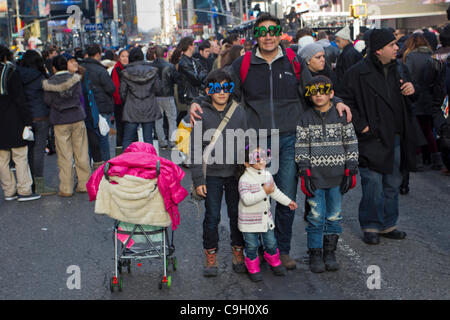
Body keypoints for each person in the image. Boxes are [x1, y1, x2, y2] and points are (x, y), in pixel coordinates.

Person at [190, 13, 353, 270]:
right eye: (262, 32)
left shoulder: (293, 61)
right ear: (255, 35)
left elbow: (315, 90)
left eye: (273, 31)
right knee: (252, 197)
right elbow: (217, 85)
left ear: (280, 34)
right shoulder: (243, 64)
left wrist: (339, 101)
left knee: (285, 195)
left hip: (289, 138)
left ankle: (280, 249)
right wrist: (197, 103)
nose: (268, 36)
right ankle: (254, 249)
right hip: (255, 141)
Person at [340, 28, 418, 245]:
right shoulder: (356, 73)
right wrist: (361, 126)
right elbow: (344, 101)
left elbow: (411, 97)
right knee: (373, 183)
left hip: (395, 135)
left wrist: (413, 89)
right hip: (371, 137)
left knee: (393, 181)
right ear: (378, 50)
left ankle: (388, 224)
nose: (397, 48)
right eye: (392, 45)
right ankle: (371, 225)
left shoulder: (400, 68)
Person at [296, 75, 359, 273]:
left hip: (338, 176)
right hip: (315, 177)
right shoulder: (305, 118)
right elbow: (301, 147)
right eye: (314, 92)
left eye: (323, 91)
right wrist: (304, 172)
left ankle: (330, 252)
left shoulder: (341, 116)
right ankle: (315, 253)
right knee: (315, 216)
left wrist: (351, 169)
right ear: (309, 95)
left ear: (331, 94)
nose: (319, 95)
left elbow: (351, 142)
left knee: (334, 216)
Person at [190, 70, 248, 277]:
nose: (222, 92)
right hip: (211, 174)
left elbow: (246, 143)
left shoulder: (239, 112)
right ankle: (210, 255)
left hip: (235, 174)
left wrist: (249, 171)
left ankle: (238, 252)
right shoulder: (201, 113)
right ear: (208, 91)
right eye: (216, 89)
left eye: (227, 88)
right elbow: (195, 147)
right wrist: (198, 178)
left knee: (237, 214)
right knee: (212, 216)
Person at [238, 145, 297, 281]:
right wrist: (264, 192)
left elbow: (275, 191)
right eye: (257, 158)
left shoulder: (268, 175)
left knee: (271, 242)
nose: (262, 160)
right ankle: (252, 266)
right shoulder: (244, 180)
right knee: (252, 246)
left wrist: (288, 201)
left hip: (265, 220)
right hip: (249, 222)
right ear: (247, 163)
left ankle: (274, 261)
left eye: (264, 156)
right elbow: (247, 200)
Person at [43, 55, 91, 197]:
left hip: (60, 120)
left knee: (64, 155)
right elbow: (79, 96)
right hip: (77, 118)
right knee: (81, 152)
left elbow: (47, 101)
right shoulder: (75, 79)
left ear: (54, 68)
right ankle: (84, 184)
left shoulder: (49, 83)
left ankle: (66, 188)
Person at [0, 45, 41, 202]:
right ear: (5, 57)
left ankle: (8, 191)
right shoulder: (10, 73)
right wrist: (27, 121)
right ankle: (24, 190)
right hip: (13, 119)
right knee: (20, 155)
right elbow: (20, 99)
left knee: (2, 158)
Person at [17, 50, 56, 196]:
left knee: (27, 151)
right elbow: (48, 96)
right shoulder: (40, 77)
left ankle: (29, 182)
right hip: (40, 117)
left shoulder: (17, 75)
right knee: (38, 150)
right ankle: (39, 184)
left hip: (25, 117)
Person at [403, 33, 442, 171]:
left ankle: (418, 160)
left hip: (416, 97)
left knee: (416, 130)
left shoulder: (411, 57)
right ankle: (436, 158)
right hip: (430, 98)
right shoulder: (431, 55)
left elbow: (407, 75)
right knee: (428, 130)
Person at [65, 53, 103, 171]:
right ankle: (82, 174)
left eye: (75, 61)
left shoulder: (83, 75)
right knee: (79, 147)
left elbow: (89, 95)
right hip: (74, 116)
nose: (75, 63)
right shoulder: (64, 79)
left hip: (88, 114)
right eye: (71, 61)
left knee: (94, 143)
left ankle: (99, 173)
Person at [120, 47, 162, 150]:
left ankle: (126, 163)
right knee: (148, 139)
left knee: (128, 139)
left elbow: (122, 92)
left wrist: (127, 101)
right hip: (149, 106)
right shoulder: (152, 71)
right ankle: (149, 163)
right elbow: (158, 88)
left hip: (132, 108)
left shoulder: (126, 72)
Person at [81, 44, 116, 161]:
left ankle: (89, 167)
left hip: (85, 108)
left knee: (88, 140)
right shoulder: (100, 70)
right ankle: (105, 167)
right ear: (98, 54)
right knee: (103, 138)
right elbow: (111, 88)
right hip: (101, 108)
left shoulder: (81, 69)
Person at [152, 45, 182, 150]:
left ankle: (162, 142)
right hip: (168, 95)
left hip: (156, 97)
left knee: (158, 121)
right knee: (172, 119)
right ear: (164, 54)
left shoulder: (151, 67)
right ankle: (172, 141)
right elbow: (177, 79)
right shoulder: (169, 66)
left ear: (155, 55)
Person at [334, 26, 363, 93]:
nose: (336, 43)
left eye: (338, 41)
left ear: (345, 40)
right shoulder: (350, 52)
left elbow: (348, 74)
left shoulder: (348, 54)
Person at [111, 48, 129, 156]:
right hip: (120, 105)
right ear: (119, 58)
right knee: (121, 131)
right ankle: (120, 155)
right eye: (123, 56)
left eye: (127, 56)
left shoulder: (130, 68)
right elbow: (115, 89)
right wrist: (120, 102)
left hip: (130, 105)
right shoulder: (116, 69)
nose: (125, 59)